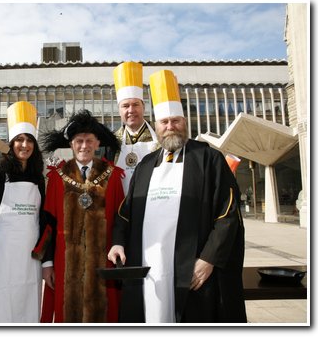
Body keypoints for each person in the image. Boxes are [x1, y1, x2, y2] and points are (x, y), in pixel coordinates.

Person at [108, 69, 246, 323]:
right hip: (149, 268)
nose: (170, 127)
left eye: (176, 121)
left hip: (192, 268)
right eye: (164, 122)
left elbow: (228, 214)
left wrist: (208, 259)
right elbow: (125, 211)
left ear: (185, 122)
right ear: (157, 127)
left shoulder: (209, 159)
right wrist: (117, 241)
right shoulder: (146, 165)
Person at [40, 109, 125, 323]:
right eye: (79, 141)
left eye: (89, 141)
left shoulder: (113, 176)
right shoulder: (57, 177)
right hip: (66, 263)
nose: (84, 146)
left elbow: (120, 219)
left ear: (97, 144)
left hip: (104, 261)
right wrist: (48, 262)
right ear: (71, 144)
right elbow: (49, 224)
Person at [0, 101, 49, 323]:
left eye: (29, 140)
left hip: (31, 261)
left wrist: (46, 261)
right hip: (3, 261)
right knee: (2, 309)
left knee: (29, 308)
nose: (24, 145)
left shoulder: (38, 177)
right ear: (11, 143)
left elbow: (43, 220)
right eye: (19, 139)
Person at [107, 61, 159, 195]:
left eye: (135, 104)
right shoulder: (111, 143)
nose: (131, 110)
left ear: (144, 107)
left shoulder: (161, 139)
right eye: (125, 106)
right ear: (119, 110)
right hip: (120, 210)